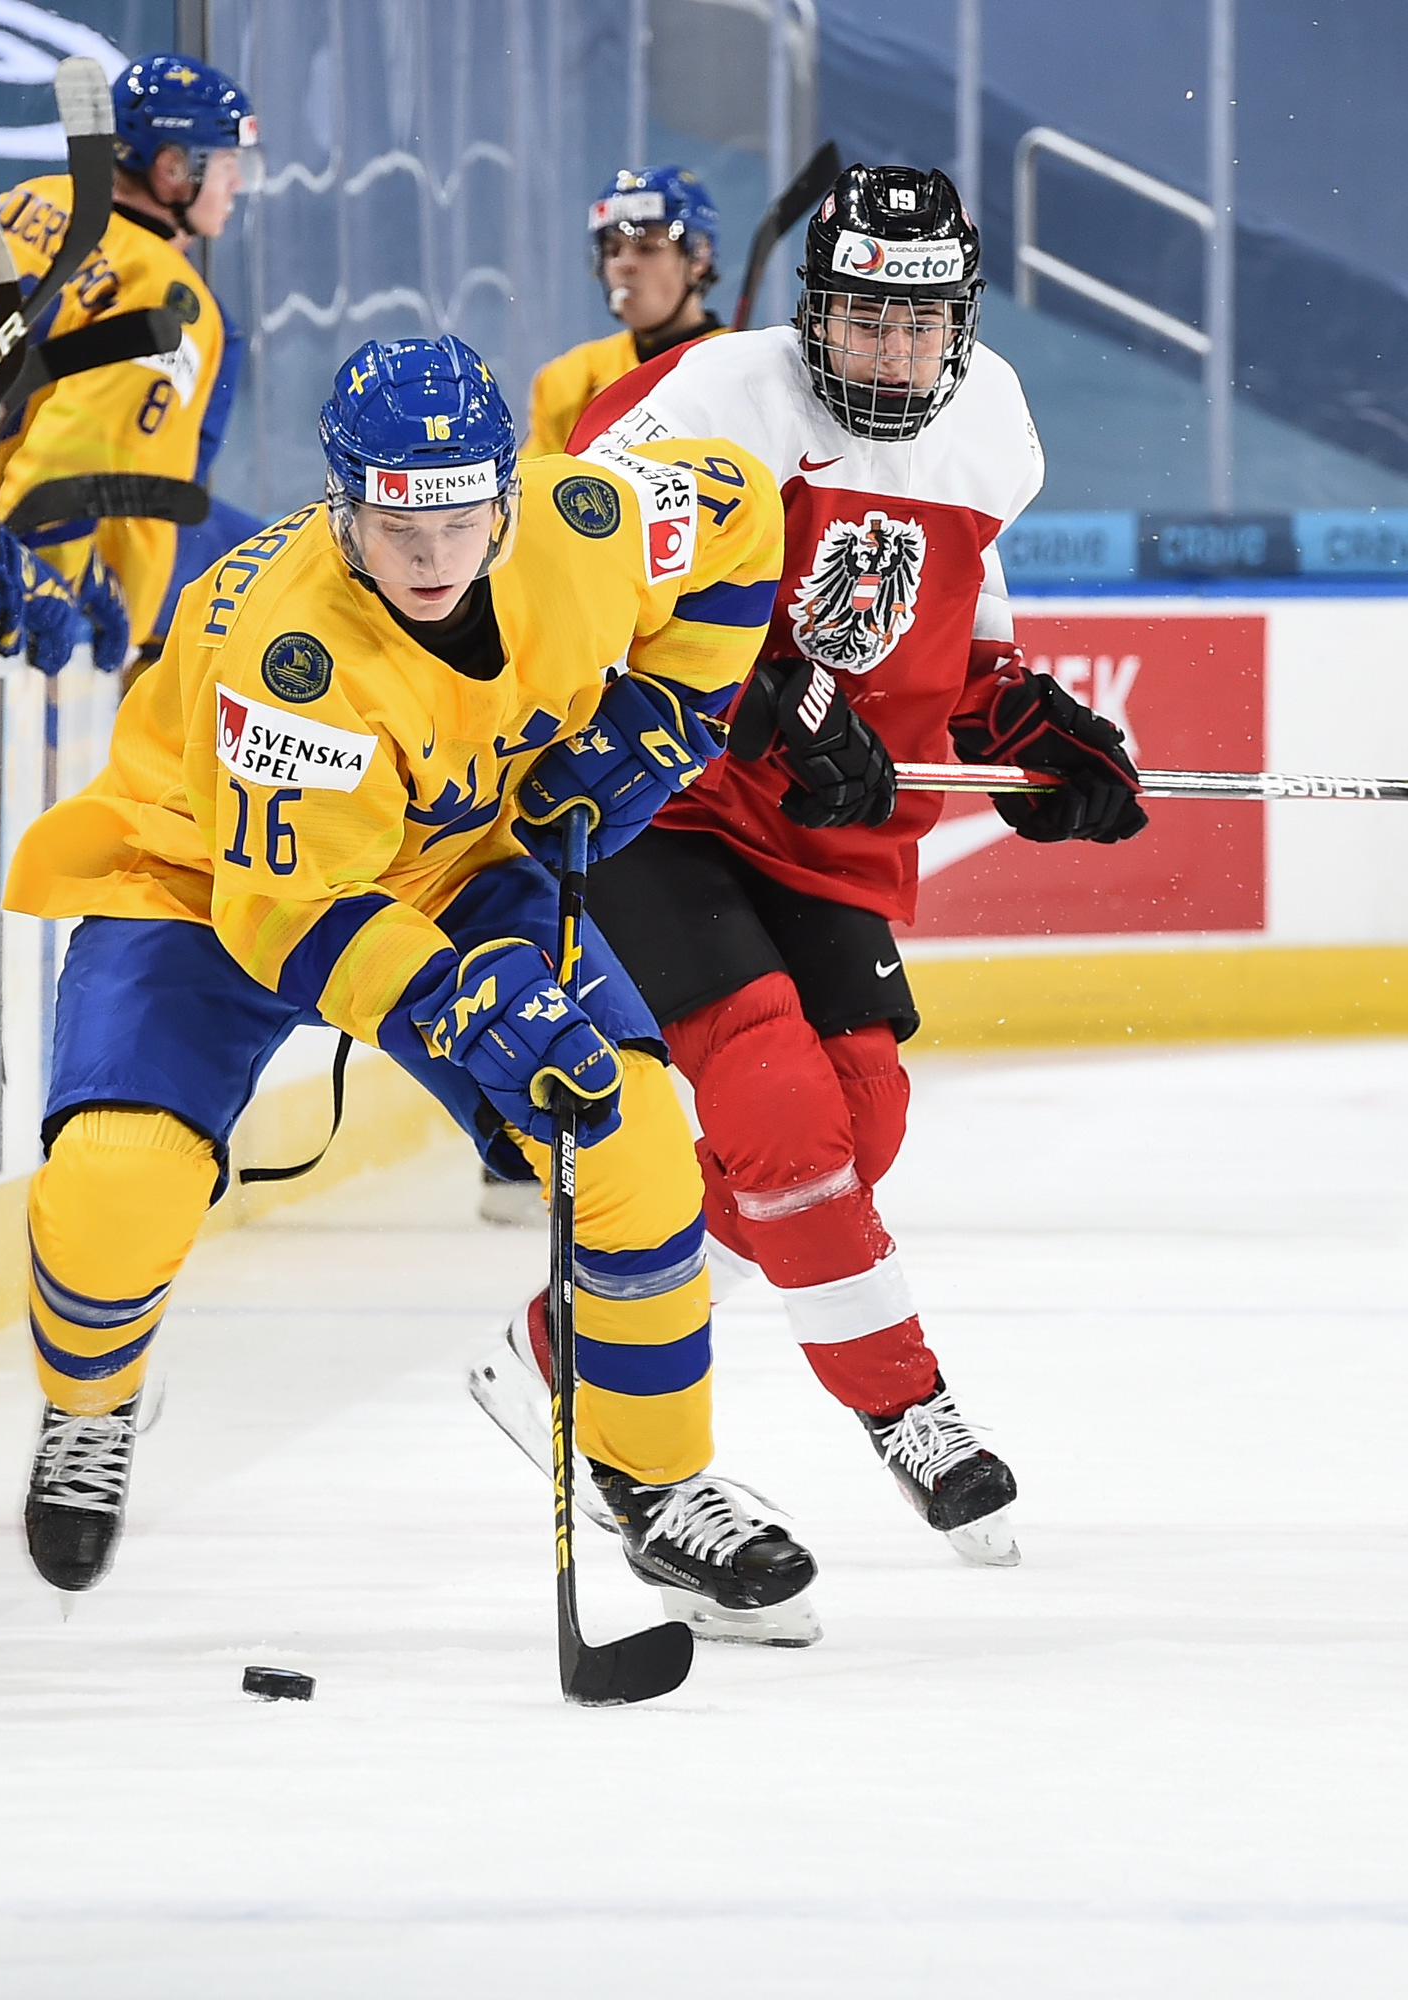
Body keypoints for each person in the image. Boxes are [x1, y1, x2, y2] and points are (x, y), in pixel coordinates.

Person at [2, 332, 820, 1642]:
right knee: (113, 1185)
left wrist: (675, 711)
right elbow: (286, 911)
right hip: (197, 877)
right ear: (344, 509)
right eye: (398, 524)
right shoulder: (291, 655)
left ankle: (660, 1485)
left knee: (632, 1149)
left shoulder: (585, 518)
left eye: (457, 518)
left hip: (449, 858)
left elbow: (736, 512)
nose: (432, 555)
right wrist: (458, 1005)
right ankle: (89, 1399)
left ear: (504, 494)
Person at [471, 165, 1148, 1597]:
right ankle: (906, 1405)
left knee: (858, 1117)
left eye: (918, 326)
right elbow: (569, 572)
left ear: (959, 323)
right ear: (812, 310)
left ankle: (564, 1347)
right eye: (861, 321)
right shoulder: (713, 397)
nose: (890, 354)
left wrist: (1020, 722)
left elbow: (956, 618)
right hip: (661, 797)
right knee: (773, 1097)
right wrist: (755, 690)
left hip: (828, 830)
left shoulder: (990, 420)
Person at [0, 53, 262, 664]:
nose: (238, 186)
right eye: (230, 165)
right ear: (174, 168)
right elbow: (71, 467)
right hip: (21, 575)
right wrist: (50, 584)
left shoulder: (25, 201)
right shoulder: (170, 296)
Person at [520, 165, 728, 461]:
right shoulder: (569, 378)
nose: (624, 264)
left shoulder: (749, 365)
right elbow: (531, 485)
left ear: (699, 257)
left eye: (648, 247)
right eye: (613, 250)